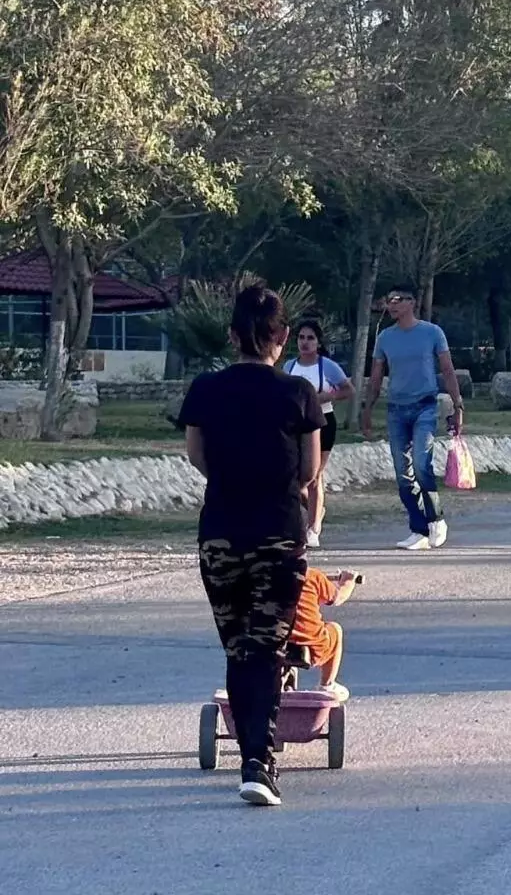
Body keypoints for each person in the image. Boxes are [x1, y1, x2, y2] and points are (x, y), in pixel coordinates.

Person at [177, 284, 323, 808]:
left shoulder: (205, 389)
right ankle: (258, 762)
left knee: (239, 648)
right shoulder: (298, 393)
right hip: (277, 533)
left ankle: (252, 757)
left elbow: (196, 455)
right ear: (282, 337)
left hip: (220, 533)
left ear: (232, 335)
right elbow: (309, 470)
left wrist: (232, 479)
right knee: (267, 648)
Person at [359, 289, 465, 552]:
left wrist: (457, 404)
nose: (392, 305)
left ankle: (436, 518)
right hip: (396, 409)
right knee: (402, 474)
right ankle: (418, 529)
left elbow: (447, 369)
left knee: (421, 464)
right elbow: (376, 376)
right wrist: (367, 409)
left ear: (411, 303)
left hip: (425, 406)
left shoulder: (432, 332)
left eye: (397, 300)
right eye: (389, 301)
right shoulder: (385, 337)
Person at [283, 320, 353, 549]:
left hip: (323, 423)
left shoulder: (328, 366)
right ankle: (312, 512)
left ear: (318, 342)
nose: (305, 342)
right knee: (295, 477)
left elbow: (348, 390)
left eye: (310, 338)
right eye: (301, 337)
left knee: (314, 476)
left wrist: (326, 396)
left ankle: (313, 528)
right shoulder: (289, 367)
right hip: (295, 425)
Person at [289, 565, 361, 698]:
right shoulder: (311, 576)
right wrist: (348, 581)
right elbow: (338, 597)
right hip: (312, 646)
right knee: (334, 629)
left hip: (265, 644)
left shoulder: (254, 576)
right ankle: (327, 684)